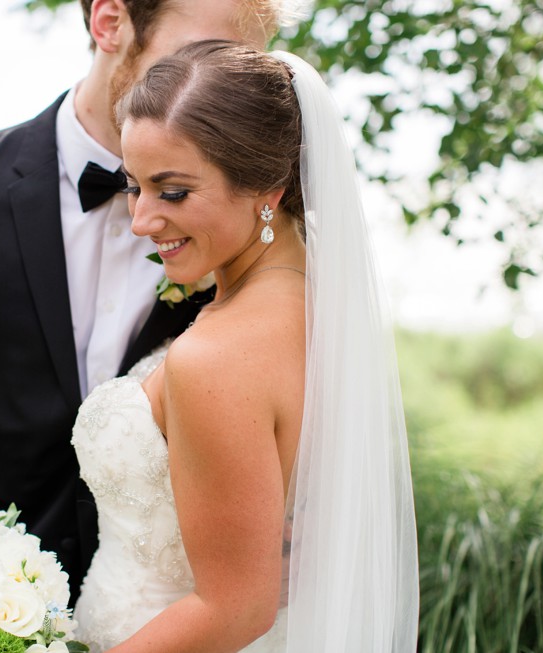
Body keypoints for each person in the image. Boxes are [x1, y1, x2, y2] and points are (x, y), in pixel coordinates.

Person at [0, 0, 276, 603]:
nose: (224, 90)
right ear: (110, 23)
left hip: (174, 604)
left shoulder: (247, 216)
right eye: (204, 55)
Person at [70, 40, 420, 652]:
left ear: (269, 186)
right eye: (135, 185)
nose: (141, 220)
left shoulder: (219, 356)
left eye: (172, 191)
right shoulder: (320, 302)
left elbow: (234, 609)